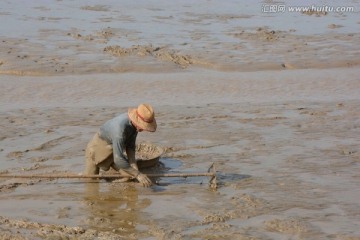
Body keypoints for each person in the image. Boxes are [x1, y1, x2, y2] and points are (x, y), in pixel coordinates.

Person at [84, 103, 157, 187]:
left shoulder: (134, 126)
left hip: (112, 151)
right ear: (136, 120)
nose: (142, 129)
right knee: (91, 183)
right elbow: (118, 160)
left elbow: (130, 146)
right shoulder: (120, 130)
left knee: (129, 176)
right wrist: (138, 174)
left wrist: (134, 166)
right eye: (142, 126)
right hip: (96, 150)